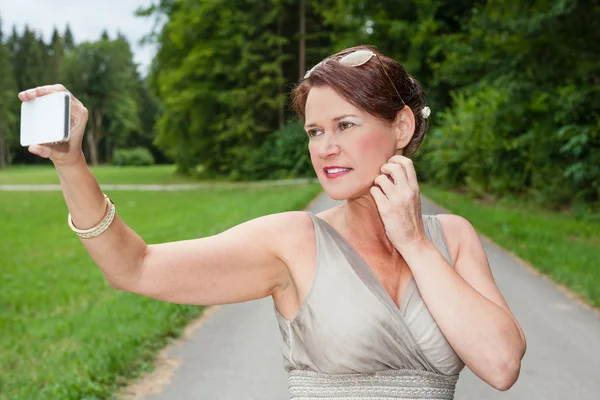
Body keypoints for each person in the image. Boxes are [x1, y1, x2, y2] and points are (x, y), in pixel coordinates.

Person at [19, 45, 526, 399]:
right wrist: (71, 164)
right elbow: (134, 268)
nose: (325, 148)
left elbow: (501, 366)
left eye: (345, 126)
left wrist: (414, 242)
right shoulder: (292, 241)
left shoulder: (452, 238)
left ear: (401, 126)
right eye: (314, 131)